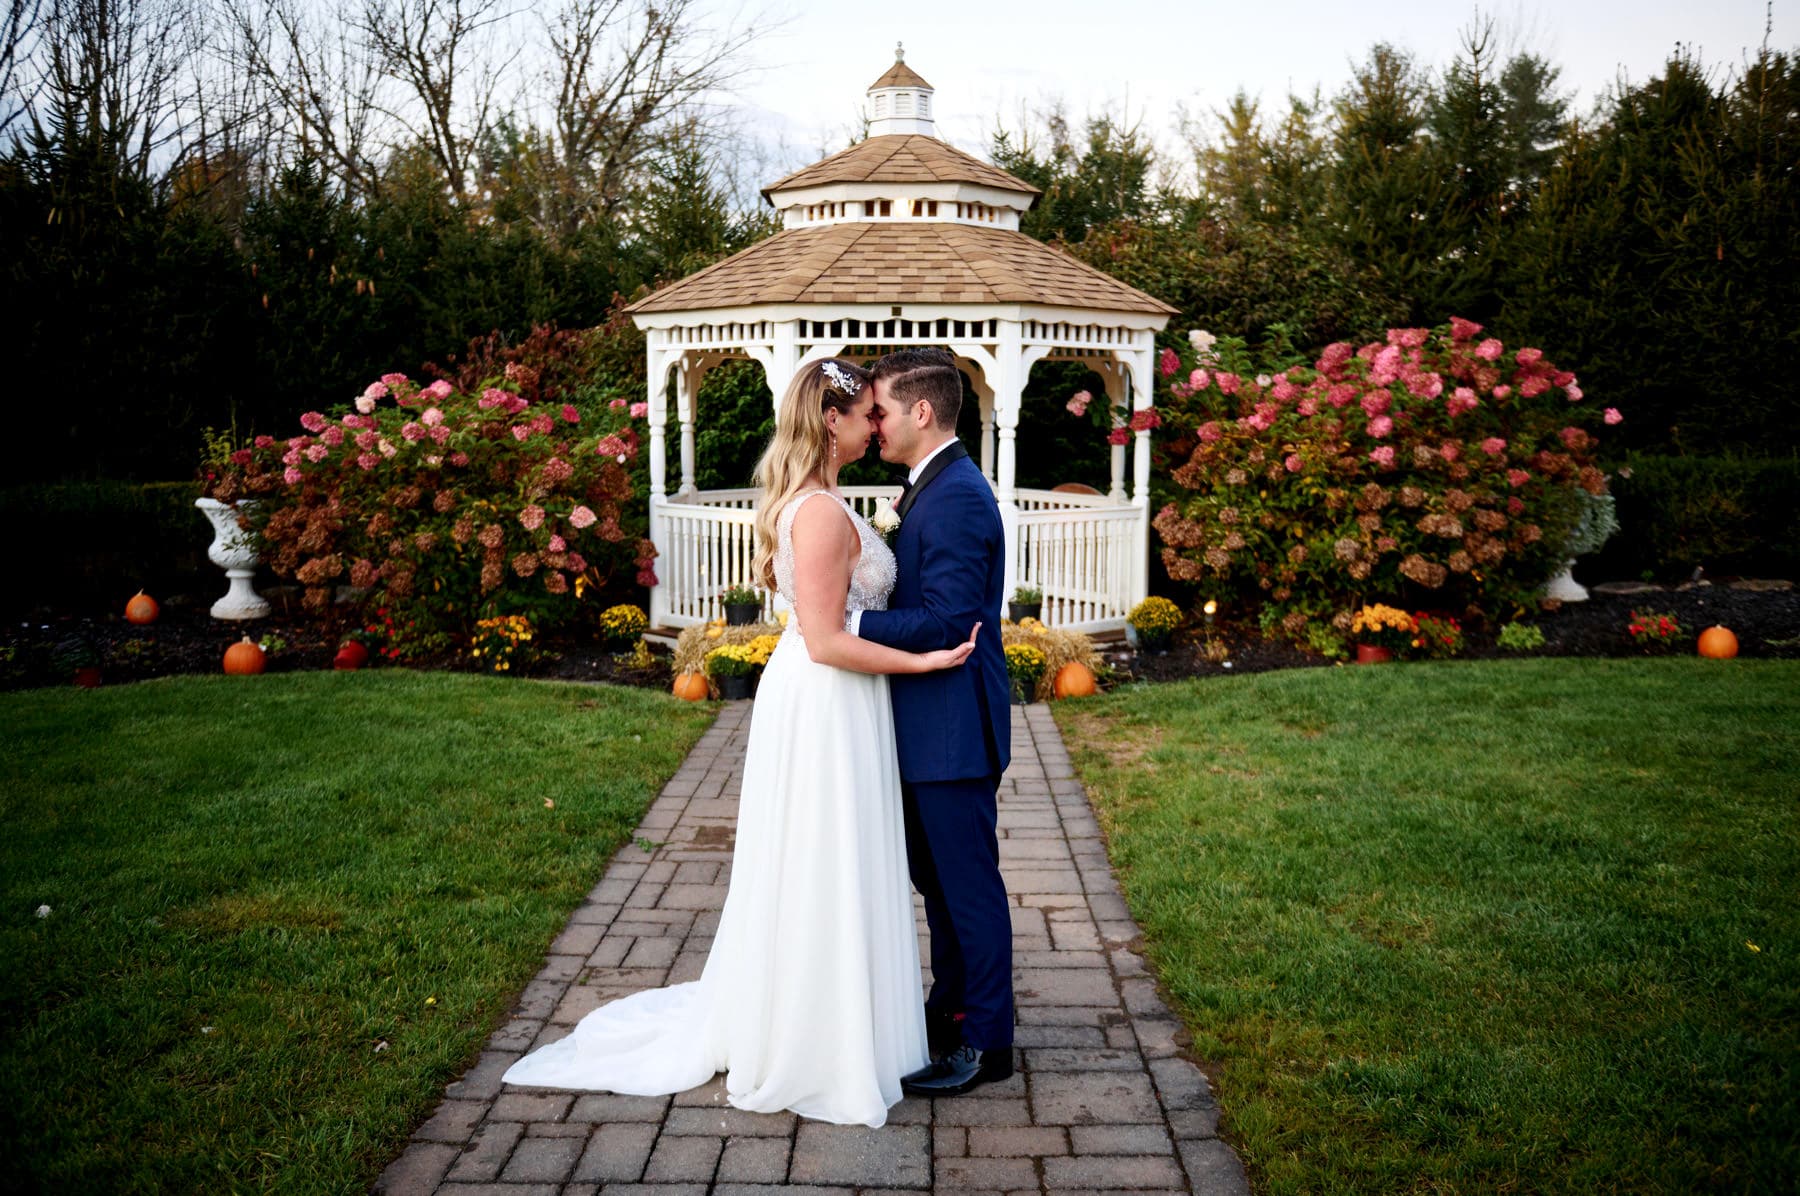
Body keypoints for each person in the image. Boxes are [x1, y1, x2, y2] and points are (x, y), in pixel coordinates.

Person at [498, 357, 977, 1128]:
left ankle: (848, 1016)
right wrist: (921, 658)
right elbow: (823, 640)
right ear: (832, 421)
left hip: (840, 699)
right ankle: (820, 1033)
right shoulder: (819, 513)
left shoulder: (824, 501)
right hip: (828, 698)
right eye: (868, 414)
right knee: (826, 855)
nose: (878, 424)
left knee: (834, 855)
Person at [856, 348, 1017, 1097]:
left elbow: (951, 619)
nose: (873, 423)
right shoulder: (928, 486)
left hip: (950, 727)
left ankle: (987, 1044)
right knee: (940, 887)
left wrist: (847, 619)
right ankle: (951, 1010)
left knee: (967, 889)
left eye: (881, 409)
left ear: (922, 412)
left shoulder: (953, 496)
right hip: (928, 724)